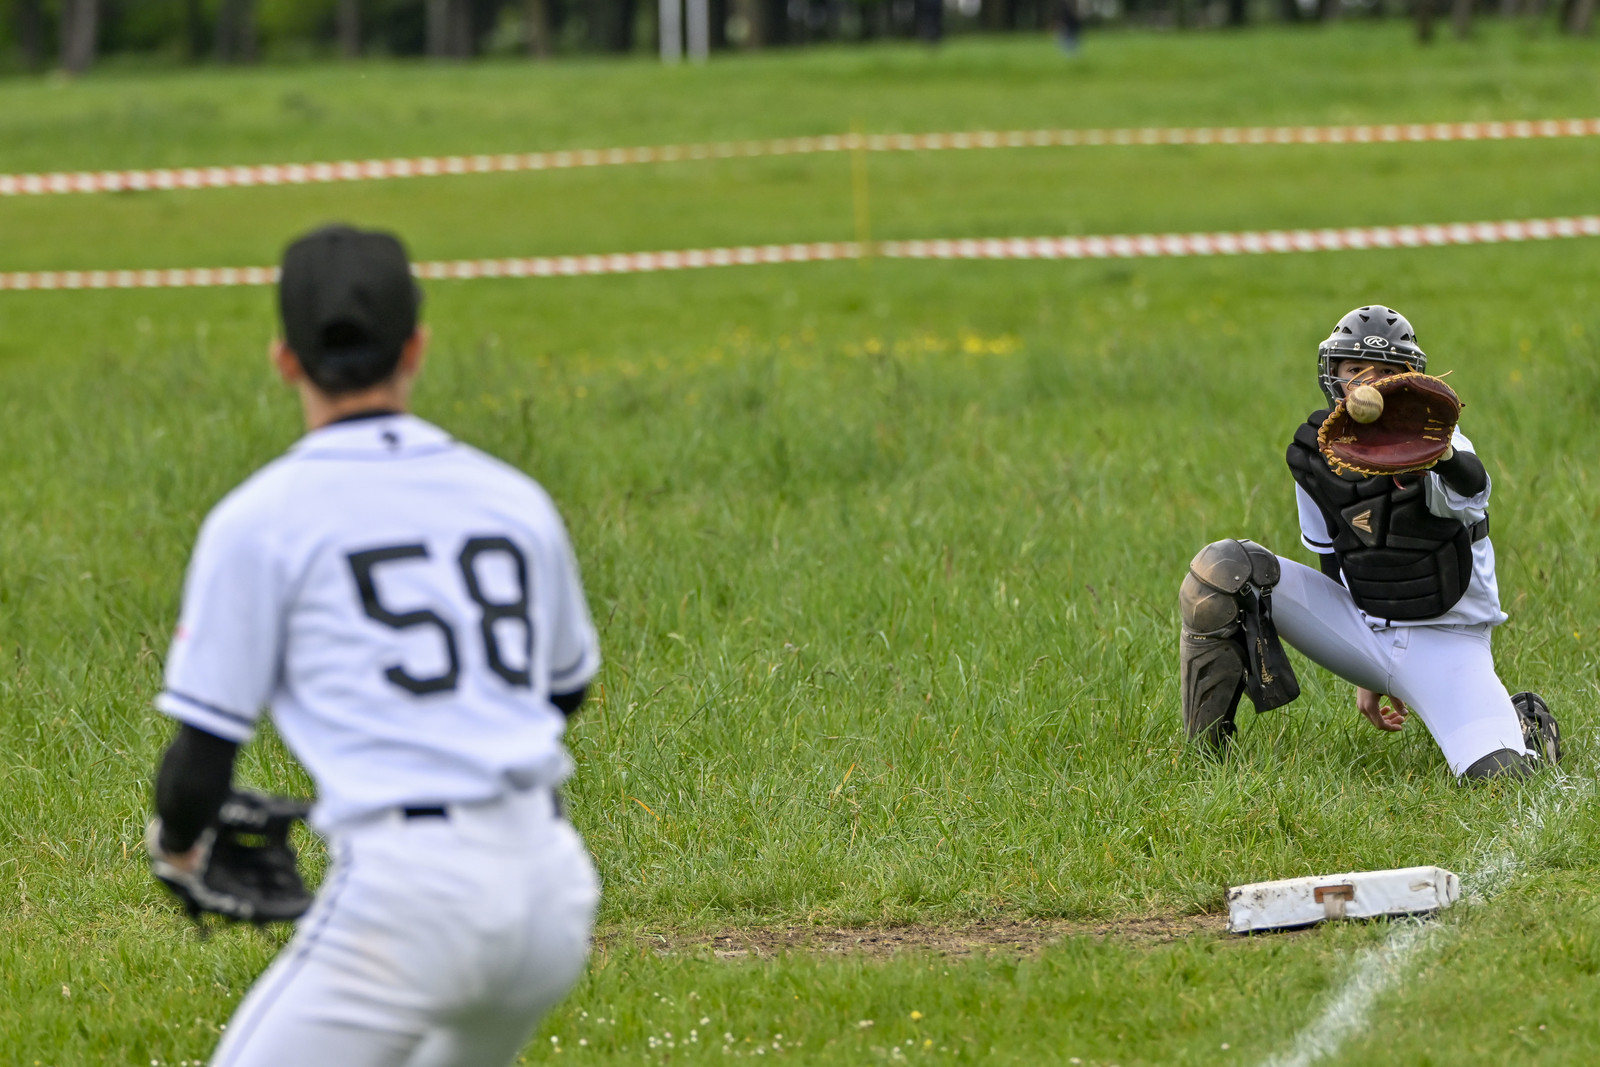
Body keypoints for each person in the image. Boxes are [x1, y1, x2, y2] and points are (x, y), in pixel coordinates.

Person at [144, 224, 602, 1066]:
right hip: (549, 885)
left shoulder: (260, 518)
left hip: (410, 894)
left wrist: (178, 851)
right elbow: (563, 690)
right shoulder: (514, 500)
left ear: (285, 359)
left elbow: (201, 759)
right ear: (417, 347)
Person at [1178, 305, 1561, 780]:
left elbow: (1472, 487)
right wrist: (1362, 660)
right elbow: (1332, 559)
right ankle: (1204, 757)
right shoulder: (1319, 452)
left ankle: (1522, 721)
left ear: (1407, 382)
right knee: (1221, 569)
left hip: (1448, 644)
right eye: (1354, 369)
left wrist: (1438, 456)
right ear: (1333, 377)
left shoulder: (1442, 444)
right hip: (1366, 629)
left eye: (1385, 372)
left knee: (1503, 782)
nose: (1367, 383)